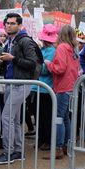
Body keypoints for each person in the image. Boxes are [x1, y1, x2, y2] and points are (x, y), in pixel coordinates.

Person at [0, 13, 39, 165]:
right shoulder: (10, 41)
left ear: (19, 25)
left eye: (12, 23)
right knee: (15, 119)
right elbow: (10, 61)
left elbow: (32, 63)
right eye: (7, 23)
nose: (8, 25)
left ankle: (8, 152)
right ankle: (18, 151)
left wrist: (13, 59)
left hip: (21, 84)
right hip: (11, 83)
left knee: (6, 118)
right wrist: (0, 60)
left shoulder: (25, 41)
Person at [44, 25, 80, 159]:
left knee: (59, 117)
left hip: (63, 87)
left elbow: (60, 69)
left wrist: (49, 64)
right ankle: (65, 145)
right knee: (65, 118)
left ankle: (59, 148)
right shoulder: (73, 49)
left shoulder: (61, 47)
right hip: (71, 86)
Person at [32, 24, 57, 152]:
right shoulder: (42, 50)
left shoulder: (52, 51)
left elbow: (45, 70)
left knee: (46, 117)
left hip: (46, 89)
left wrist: (35, 66)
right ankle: (41, 139)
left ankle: (47, 140)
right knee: (38, 116)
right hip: (37, 88)